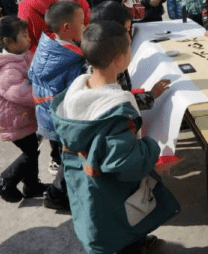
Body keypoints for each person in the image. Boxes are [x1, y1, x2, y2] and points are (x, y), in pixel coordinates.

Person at [51, 21, 177, 254]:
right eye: (129, 47)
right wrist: (153, 149)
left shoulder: (77, 90)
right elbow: (125, 163)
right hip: (111, 189)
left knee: (98, 221)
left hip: (83, 178)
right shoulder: (117, 108)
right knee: (120, 228)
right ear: (119, 59)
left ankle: (134, 242)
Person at [0, 16, 48, 203]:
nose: (28, 39)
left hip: (21, 115)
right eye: (24, 35)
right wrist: (47, 94)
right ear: (8, 41)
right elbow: (23, 95)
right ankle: (4, 181)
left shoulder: (20, 55)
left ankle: (32, 185)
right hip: (12, 118)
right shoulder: (7, 69)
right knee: (30, 153)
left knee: (33, 149)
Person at [28, 0, 86, 211]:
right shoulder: (72, 60)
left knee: (65, 157)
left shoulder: (47, 47)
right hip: (61, 119)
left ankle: (58, 193)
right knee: (70, 160)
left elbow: (31, 75)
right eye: (81, 21)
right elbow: (76, 95)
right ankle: (56, 195)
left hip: (45, 115)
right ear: (67, 27)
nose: (85, 24)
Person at [89, 1, 170, 110]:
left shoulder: (107, 57)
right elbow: (118, 104)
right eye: (126, 30)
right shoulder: (106, 68)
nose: (129, 37)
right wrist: (150, 95)